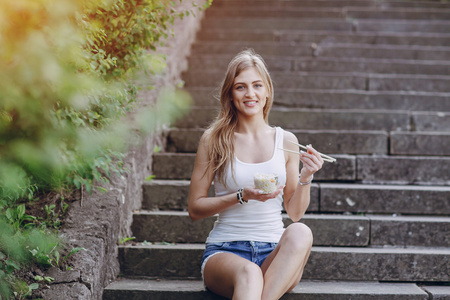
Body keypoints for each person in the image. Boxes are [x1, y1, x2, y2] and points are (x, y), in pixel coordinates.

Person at [188, 49, 324, 300]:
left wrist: (307, 175)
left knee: (301, 232)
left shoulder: (287, 141)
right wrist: (241, 196)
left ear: (267, 91)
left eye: (257, 85)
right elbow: (195, 209)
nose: (250, 94)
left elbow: (294, 213)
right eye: (241, 87)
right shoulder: (214, 140)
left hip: (276, 255)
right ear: (230, 94)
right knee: (250, 273)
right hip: (226, 251)